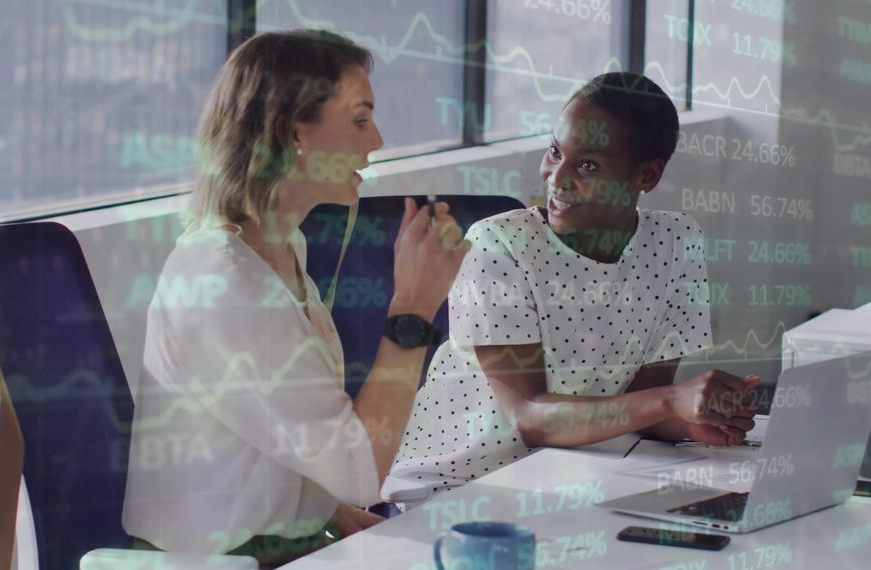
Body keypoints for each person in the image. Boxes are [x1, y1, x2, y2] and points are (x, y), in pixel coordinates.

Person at [121, 29, 470, 565]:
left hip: (277, 546)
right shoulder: (223, 280)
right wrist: (414, 310)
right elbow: (362, 471)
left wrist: (316, 509)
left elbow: (271, 427)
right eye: (359, 120)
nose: (376, 140)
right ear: (292, 132)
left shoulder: (282, 249)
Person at [385, 72, 759, 498]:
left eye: (587, 165)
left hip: (580, 474)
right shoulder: (498, 245)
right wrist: (672, 400)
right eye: (554, 152)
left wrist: (700, 418)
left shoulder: (676, 242)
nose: (556, 179)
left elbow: (640, 408)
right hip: (458, 489)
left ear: (647, 176)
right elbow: (527, 417)